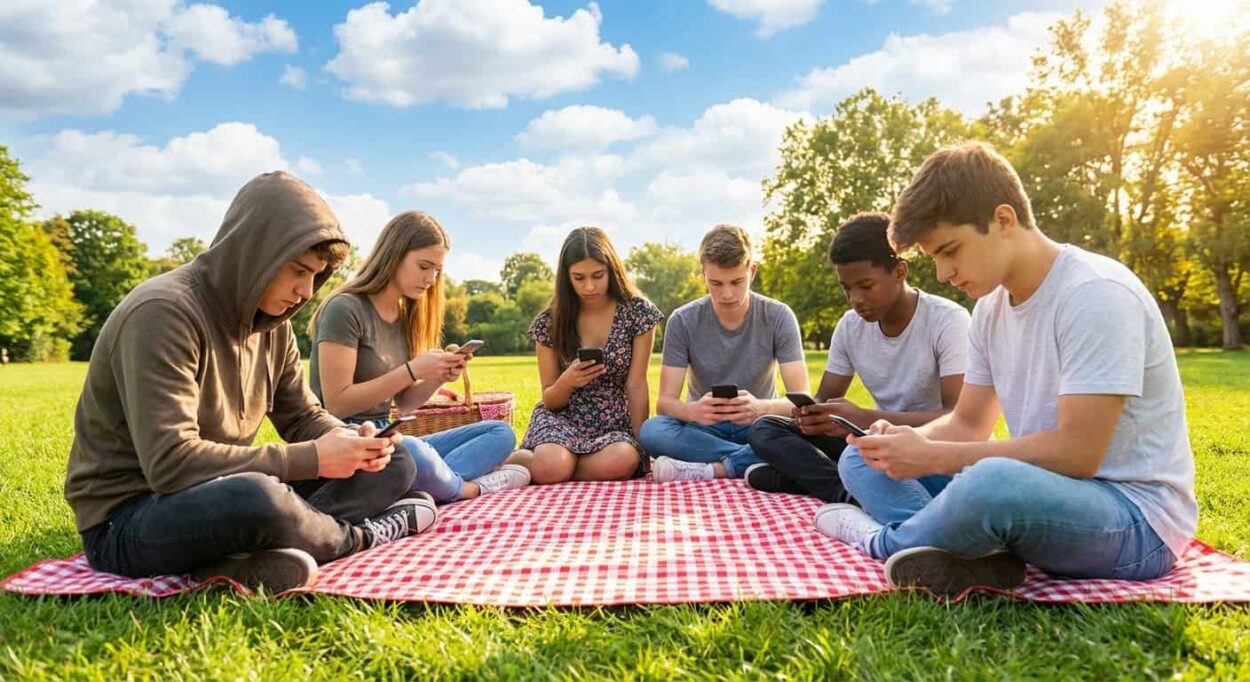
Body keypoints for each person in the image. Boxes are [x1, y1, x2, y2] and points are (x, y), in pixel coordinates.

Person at [815, 142, 1198, 597]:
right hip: (1044, 491)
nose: (941, 273)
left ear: (1003, 220)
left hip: (1135, 518)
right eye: (934, 257)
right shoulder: (990, 310)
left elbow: (1079, 453)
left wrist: (934, 456)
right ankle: (961, 552)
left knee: (993, 481)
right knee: (864, 455)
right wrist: (908, 443)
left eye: (950, 250)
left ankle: (879, 541)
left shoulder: (1096, 293)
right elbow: (968, 423)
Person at [64, 172, 437, 594]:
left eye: (316, 276)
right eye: (298, 270)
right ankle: (357, 537)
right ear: (254, 254)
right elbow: (171, 463)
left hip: (217, 490)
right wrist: (313, 458)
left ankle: (242, 558)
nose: (305, 291)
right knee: (259, 499)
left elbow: (302, 416)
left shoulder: (272, 323)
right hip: (128, 518)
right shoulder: (162, 313)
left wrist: (350, 442)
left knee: (396, 460)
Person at [309, 210, 531, 503]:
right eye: (424, 266)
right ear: (394, 255)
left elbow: (404, 403)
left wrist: (437, 375)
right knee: (412, 452)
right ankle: (466, 489)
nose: (431, 278)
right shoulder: (346, 309)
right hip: (346, 438)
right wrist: (412, 370)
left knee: (500, 433)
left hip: (389, 436)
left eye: (437, 270)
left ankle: (422, 484)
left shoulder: (405, 316)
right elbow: (337, 403)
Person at [746, 212, 969, 502]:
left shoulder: (948, 321)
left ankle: (825, 483)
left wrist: (865, 418)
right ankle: (845, 492)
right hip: (876, 443)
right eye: (846, 288)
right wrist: (814, 417)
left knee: (856, 458)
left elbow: (959, 420)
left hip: (933, 453)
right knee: (766, 428)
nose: (855, 299)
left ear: (899, 272)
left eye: (865, 286)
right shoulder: (850, 326)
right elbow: (824, 400)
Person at [639, 224, 808, 482]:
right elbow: (665, 403)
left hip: (760, 425)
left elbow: (801, 400)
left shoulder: (778, 316)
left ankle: (717, 469)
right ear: (703, 274)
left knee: (808, 432)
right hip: (703, 429)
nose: (727, 294)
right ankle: (753, 459)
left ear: (752, 272)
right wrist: (694, 411)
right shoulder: (683, 320)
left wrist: (760, 407)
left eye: (737, 282)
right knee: (652, 431)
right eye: (715, 283)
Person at [510, 226, 661, 484]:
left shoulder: (638, 312)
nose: (589, 286)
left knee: (624, 458)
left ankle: (559, 469)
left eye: (597, 275)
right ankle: (518, 462)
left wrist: (641, 447)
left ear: (612, 270)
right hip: (562, 418)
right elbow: (550, 399)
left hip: (613, 424)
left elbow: (636, 384)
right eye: (579, 278)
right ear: (566, 277)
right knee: (553, 464)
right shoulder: (550, 322)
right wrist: (568, 380)